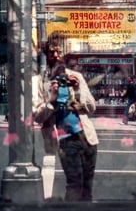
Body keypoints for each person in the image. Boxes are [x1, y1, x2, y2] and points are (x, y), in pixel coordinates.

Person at [33, 45, 99, 201]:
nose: (56, 55)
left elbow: (92, 108)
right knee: (74, 185)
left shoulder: (76, 76)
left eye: (59, 52)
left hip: (87, 137)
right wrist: (52, 99)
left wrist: (77, 90)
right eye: (51, 52)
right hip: (64, 139)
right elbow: (37, 116)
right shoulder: (39, 81)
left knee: (87, 187)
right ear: (45, 56)